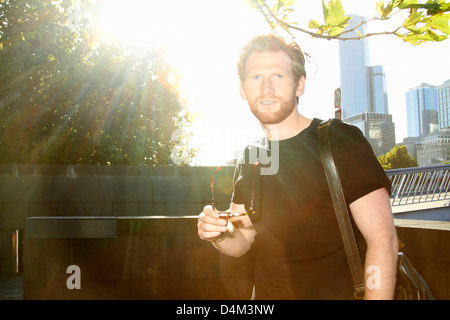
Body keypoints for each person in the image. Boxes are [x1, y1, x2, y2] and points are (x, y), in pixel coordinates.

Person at [197, 34, 398, 300]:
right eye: (256, 77)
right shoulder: (251, 156)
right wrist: (218, 234)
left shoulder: (339, 140)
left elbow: (382, 239)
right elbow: (241, 240)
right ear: (243, 90)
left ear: (299, 85)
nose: (267, 88)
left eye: (278, 76)